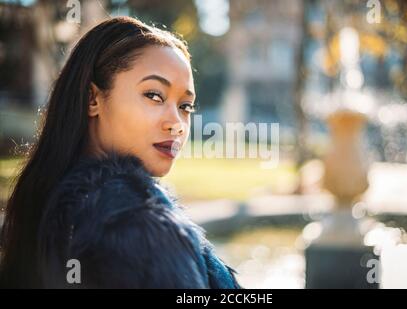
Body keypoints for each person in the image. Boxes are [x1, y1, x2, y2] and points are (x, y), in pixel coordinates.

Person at [0, 16, 240, 289]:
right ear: (93, 99)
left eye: (185, 106)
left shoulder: (49, 201)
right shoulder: (133, 222)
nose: (176, 124)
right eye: (154, 95)